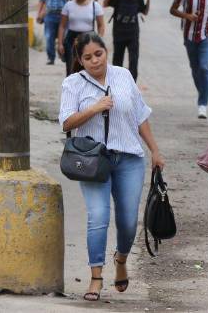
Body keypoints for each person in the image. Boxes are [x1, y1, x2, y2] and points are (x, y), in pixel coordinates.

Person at [58, 32, 164, 301]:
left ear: (107, 51)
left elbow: (140, 115)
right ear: (80, 61)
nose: (95, 61)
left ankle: (121, 259)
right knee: (98, 218)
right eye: (88, 57)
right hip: (93, 161)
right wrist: (95, 108)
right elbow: (67, 123)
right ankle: (95, 278)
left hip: (129, 158)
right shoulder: (73, 84)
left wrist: (155, 150)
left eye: (99, 54)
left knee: (128, 222)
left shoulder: (123, 75)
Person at [103, 0, 150, 80]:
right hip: (119, 34)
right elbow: (105, 4)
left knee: (133, 60)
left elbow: (145, 12)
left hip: (133, 35)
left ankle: (132, 84)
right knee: (117, 61)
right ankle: (117, 82)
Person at [57, 0, 106, 74]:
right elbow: (62, 26)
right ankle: (70, 88)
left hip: (89, 39)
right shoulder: (68, 5)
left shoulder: (95, 6)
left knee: (88, 67)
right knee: (71, 68)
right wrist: (60, 43)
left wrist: (99, 40)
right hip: (71, 39)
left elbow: (101, 25)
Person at [38, 0, 74, 65]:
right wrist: (39, 13)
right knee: (49, 37)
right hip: (50, 15)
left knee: (65, 37)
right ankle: (51, 58)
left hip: (64, 15)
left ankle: (64, 55)